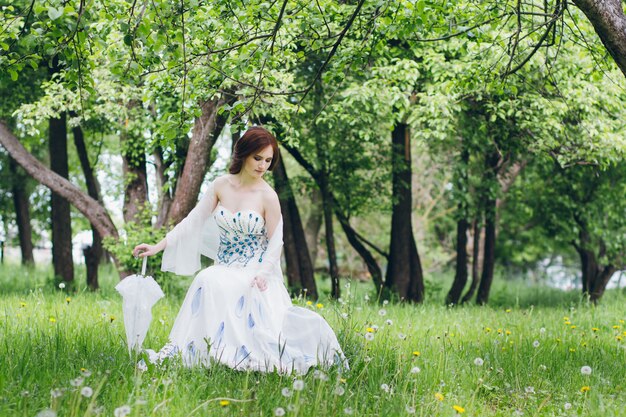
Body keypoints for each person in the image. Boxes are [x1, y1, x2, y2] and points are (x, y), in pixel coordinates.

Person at [132, 126, 347, 374]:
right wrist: (158, 246)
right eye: (258, 158)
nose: (262, 166)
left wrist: (264, 273)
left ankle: (232, 353)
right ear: (244, 154)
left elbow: (276, 243)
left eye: (268, 160)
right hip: (224, 266)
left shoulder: (268, 196)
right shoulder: (221, 185)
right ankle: (203, 350)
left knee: (216, 281)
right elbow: (194, 220)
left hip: (255, 271)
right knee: (207, 278)